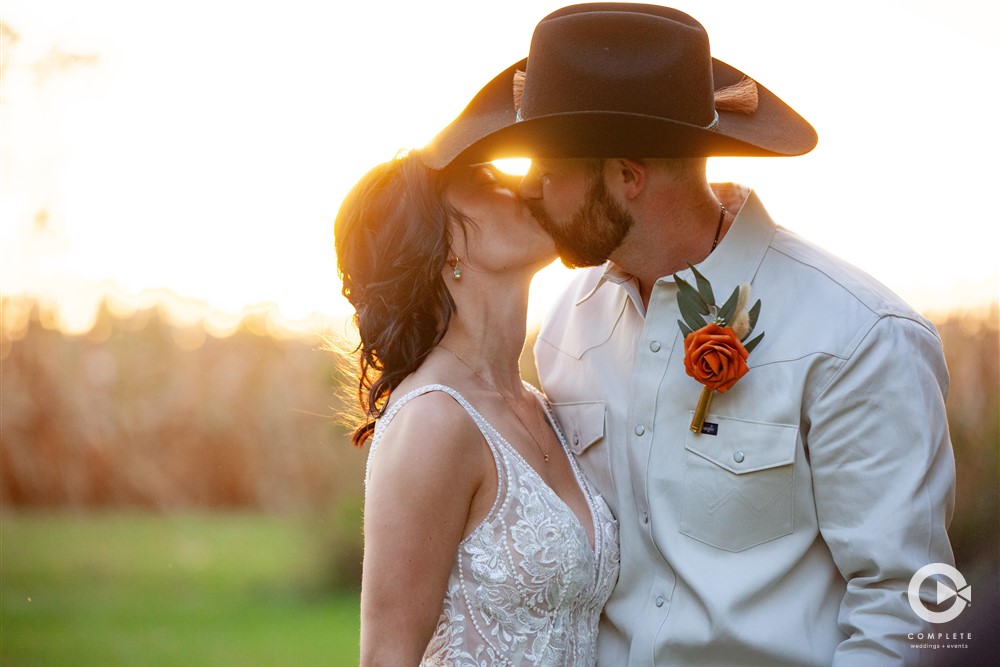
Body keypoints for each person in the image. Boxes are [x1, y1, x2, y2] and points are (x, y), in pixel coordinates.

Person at [422, 3, 957, 666]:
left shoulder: (860, 337)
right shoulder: (565, 326)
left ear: (626, 176)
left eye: (549, 171)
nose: (531, 192)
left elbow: (913, 608)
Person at [334, 141, 620, 660]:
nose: (530, 185)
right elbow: (387, 656)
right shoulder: (432, 421)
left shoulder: (541, 406)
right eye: (490, 182)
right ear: (442, 245)